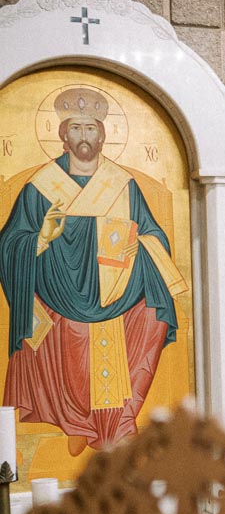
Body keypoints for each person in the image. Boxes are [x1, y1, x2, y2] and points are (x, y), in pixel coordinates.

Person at [0, 86, 189, 455]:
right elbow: (10, 244)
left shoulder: (123, 184)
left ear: (102, 135)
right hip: (57, 295)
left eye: (91, 128)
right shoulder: (40, 186)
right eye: (75, 128)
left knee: (154, 314)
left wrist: (141, 245)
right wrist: (41, 239)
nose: (83, 136)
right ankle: (78, 423)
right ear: (63, 135)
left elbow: (152, 233)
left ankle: (117, 423)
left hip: (117, 291)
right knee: (71, 339)